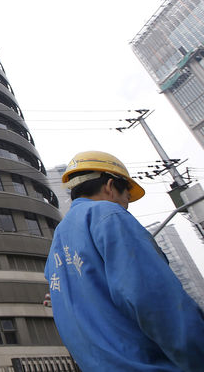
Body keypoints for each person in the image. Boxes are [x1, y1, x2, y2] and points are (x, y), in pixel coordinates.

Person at [46, 150, 204, 371]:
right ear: (110, 186)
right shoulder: (108, 214)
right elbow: (153, 298)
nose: (126, 206)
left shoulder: (58, 243)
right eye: (126, 198)